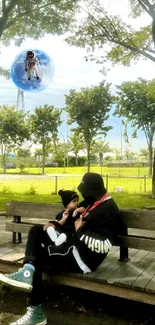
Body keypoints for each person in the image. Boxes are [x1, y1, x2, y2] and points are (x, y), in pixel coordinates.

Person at [0, 172, 125, 325]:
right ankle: (28, 270)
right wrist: (56, 224)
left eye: (85, 191)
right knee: (37, 231)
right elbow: (79, 213)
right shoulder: (94, 202)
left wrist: (80, 231)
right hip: (72, 245)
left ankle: (36, 310)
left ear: (92, 190)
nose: (82, 195)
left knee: (38, 257)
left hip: (83, 258)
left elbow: (105, 245)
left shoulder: (109, 210)